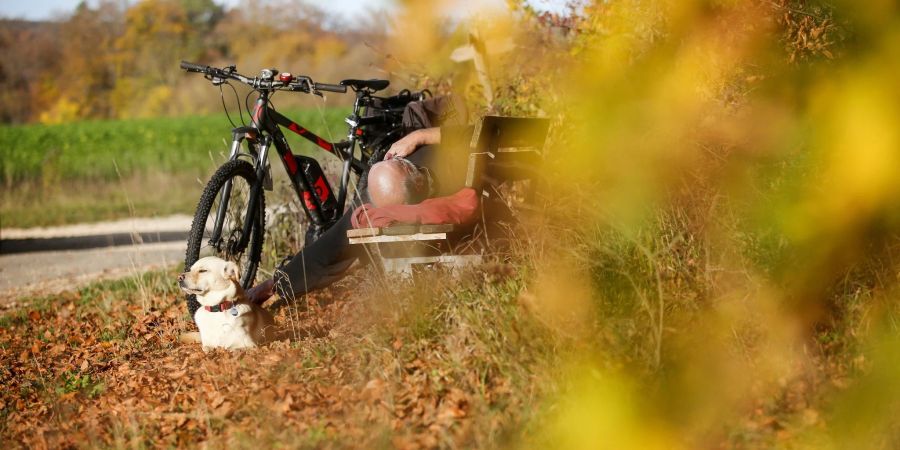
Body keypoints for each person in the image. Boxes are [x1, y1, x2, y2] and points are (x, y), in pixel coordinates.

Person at [246, 113, 473, 304]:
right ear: (396, 159)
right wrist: (419, 136)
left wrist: (271, 285)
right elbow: (330, 245)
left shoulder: (452, 165)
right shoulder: (383, 189)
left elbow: (329, 248)